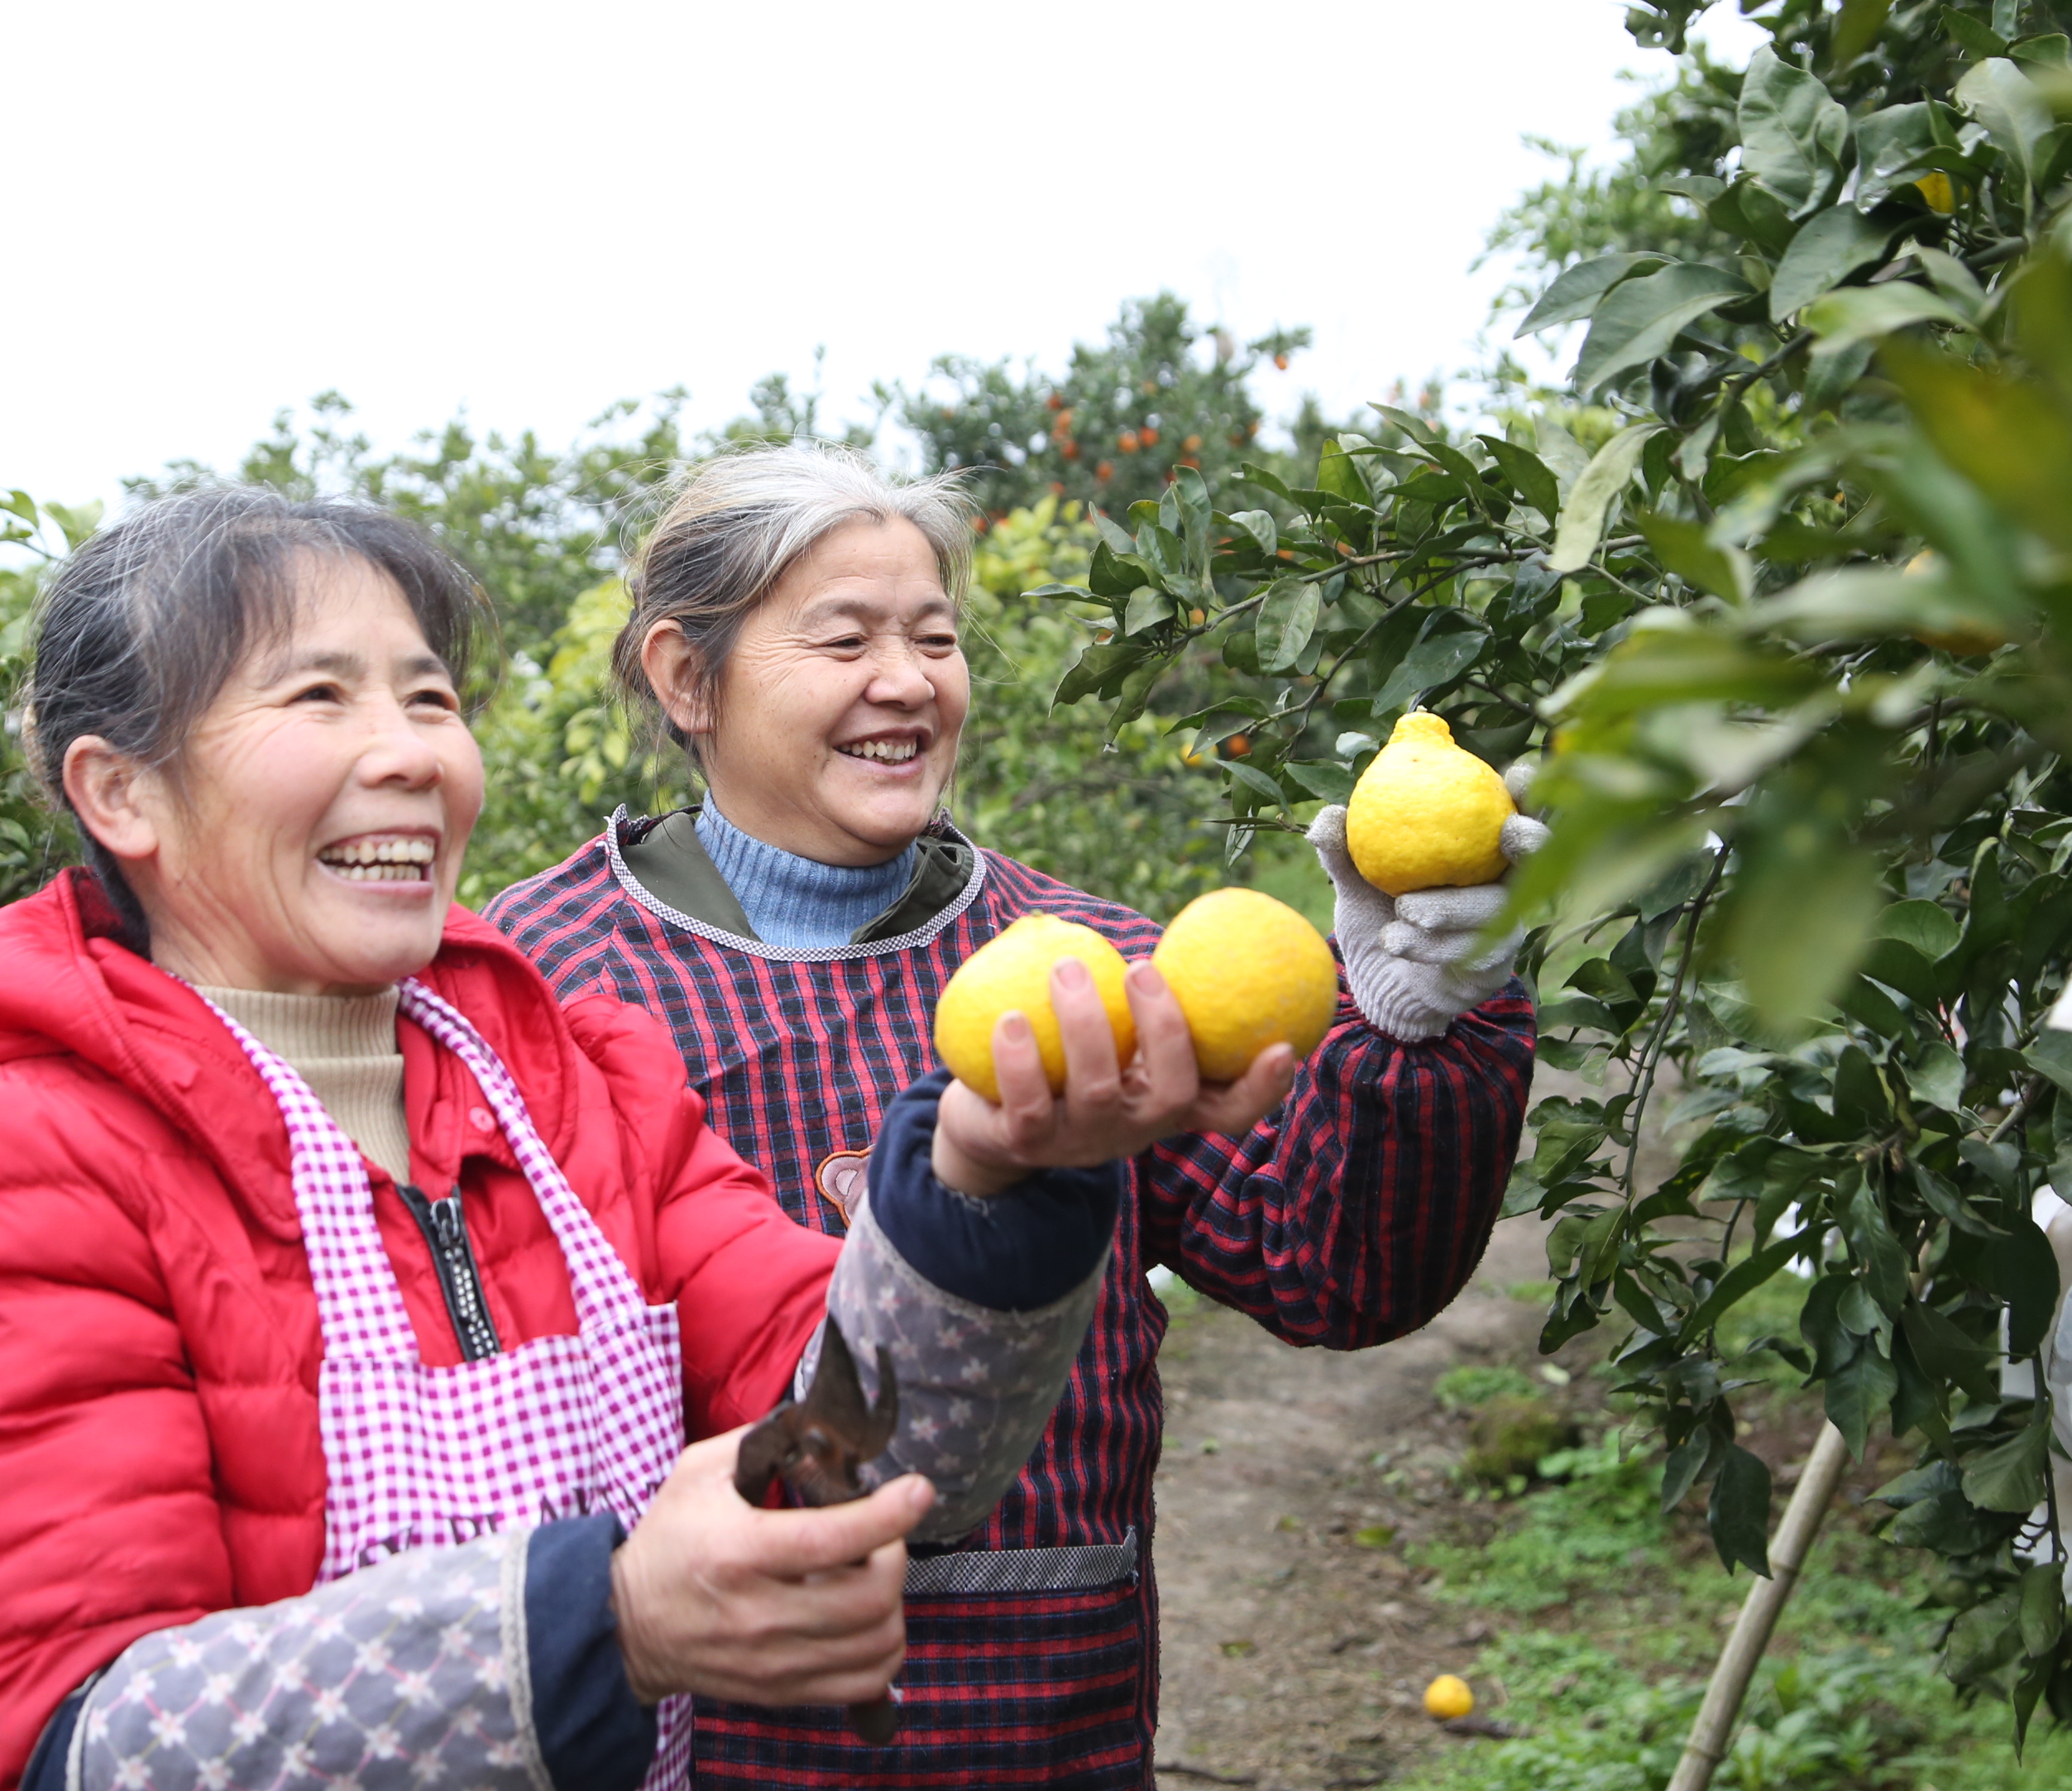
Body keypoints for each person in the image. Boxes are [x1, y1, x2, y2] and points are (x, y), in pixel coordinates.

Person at [0, 486, 1277, 1791]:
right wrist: (613, 1620)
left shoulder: (573, 1079)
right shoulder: (3, 1167)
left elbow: (876, 1455)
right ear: (120, 792)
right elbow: (80, 1745)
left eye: (430, 697)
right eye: (319, 697)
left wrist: (982, 1174)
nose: (404, 754)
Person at [490, 448, 1541, 1785]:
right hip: (702, 1734)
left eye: (935, 637)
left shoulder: (1088, 968)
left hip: (1042, 1721)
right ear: (687, 678)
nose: (909, 679)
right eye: (846, 637)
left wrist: (1414, 1020)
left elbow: (1336, 1269)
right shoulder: (535, 984)